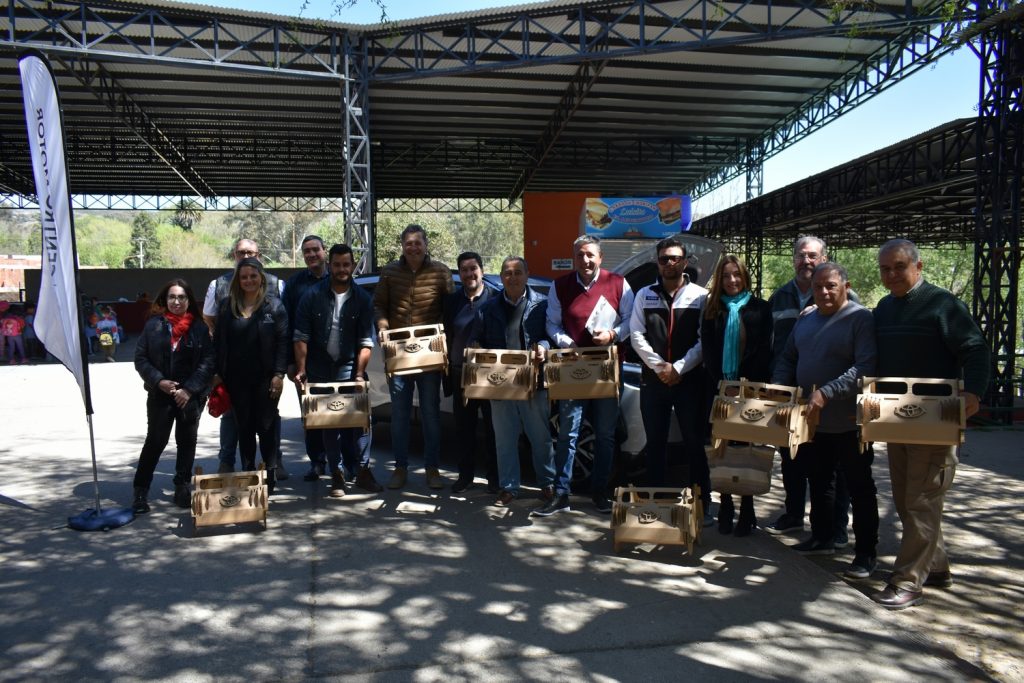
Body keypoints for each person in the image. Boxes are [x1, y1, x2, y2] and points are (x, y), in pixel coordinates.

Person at [869, 239, 990, 610]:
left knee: (922, 500)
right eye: (885, 268)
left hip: (936, 418)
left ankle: (907, 580)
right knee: (907, 500)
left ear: (918, 267)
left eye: (899, 267)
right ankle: (935, 567)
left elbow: (975, 348)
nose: (892, 274)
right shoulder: (884, 308)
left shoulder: (943, 305)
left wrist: (974, 392)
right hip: (895, 419)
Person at [771, 263, 880, 579]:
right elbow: (788, 358)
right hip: (812, 421)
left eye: (831, 285)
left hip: (850, 421)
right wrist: (779, 388)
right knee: (820, 482)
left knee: (859, 487)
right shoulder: (806, 319)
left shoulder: (860, 319)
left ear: (846, 286)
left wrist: (827, 392)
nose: (824, 291)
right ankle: (822, 538)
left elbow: (865, 366)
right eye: (818, 286)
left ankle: (866, 554)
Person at [765, 235, 852, 546]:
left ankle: (836, 526)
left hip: (832, 397)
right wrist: (776, 386)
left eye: (813, 255)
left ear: (824, 258)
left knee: (834, 466)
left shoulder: (845, 297)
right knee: (791, 457)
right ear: (793, 259)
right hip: (790, 393)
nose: (806, 261)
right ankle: (793, 514)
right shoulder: (779, 298)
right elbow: (774, 346)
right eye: (801, 255)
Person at [539, 234, 633, 515]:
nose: (585, 260)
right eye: (580, 255)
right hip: (573, 367)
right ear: (574, 258)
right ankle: (561, 494)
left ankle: (600, 492)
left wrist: (613, 334)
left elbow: (632, 320)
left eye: (590, 254)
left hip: (607, 368)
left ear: (600, 257)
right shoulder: (560, 286)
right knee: (568, 433)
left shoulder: (618, 283)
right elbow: (551, 324)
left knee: (605, 435)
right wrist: (568, 343)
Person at [628, 237, 711, 525]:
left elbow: (704, 339)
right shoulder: (644, 295)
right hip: (654, 382)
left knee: (694, 443)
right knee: (655, 445)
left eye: (675, 258)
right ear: (658, 262)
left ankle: (702, 504)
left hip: (690, 382)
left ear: (685, 262)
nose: (669, 263)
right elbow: (636, 335)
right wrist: (660, 367)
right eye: (664, 259)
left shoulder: (701, 296)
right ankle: (656, 505)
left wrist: (678, 368)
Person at [293, 243, 382, 498]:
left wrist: (359, 374)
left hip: (350, 368)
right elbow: (301, 336)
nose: (342, 269)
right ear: (329, 265)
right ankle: (337, 474)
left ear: (352, 266)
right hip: (320, 369)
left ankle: (363, 470)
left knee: (361, 422)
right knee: (329, 424)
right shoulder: (312, 295)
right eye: (337, 265)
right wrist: (302, 369)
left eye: (346, 264)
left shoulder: (363, 299)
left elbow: (366, 342)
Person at [372, 224, 453, 490]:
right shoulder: (389, 272)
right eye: (409, 243)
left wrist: (442, 339)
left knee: (431, 414)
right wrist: (382, 328)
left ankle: (432, 468)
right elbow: (379, 305)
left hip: (429, 354)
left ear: (426, 245)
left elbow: (450, 309)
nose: (413, 247)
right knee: (400, 415)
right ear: (402, 246)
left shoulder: (441, 272)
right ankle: (400, 468)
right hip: (399, 354)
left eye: (418, 243)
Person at [472, 256, 556, 506]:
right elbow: (478, 339)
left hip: (533, 381)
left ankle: (548, 484)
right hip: (499, 382)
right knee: (505, 439)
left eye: (518, 272)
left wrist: (543, 347)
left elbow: (551, 336)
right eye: (507, 273)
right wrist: (477, 348)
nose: (513, 277)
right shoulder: (487, 308)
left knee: (540, 437)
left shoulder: (542, 305)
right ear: (501, 277)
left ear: (527, 274)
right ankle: (509, 487)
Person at [701, 254, 773, 536]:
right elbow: (708, 352)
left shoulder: (760, 309)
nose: (732, 280)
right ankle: (726, 504)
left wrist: (745, 387)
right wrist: (724, 384)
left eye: (737, 275)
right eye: (726, 275)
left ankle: (748, 506)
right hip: (718, 389)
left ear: (745, 277)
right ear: (719, 279)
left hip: (750, 391)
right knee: (722, 448)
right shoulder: (712, 309)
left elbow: (764, 350)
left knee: (747, 449)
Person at [203, 238, 286, 478]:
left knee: (267, 427)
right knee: (244, 428)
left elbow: (283, 342)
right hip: (236, 379)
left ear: (261, 278)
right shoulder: (227, 306)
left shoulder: (275, 306)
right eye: (244, 277)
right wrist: (216, 373)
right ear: (238, 281)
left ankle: (270, 472)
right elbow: (218, 341)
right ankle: (249, 473)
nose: (249, 280)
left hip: (267, 380)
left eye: (253, 276)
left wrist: (279, 374)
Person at [130, 279, 215, 514]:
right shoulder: (153, 326)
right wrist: (158, 381)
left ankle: (182, 485)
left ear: (189, 300)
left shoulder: (199, 328)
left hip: (190, 396)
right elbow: (141, 359)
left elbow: (208, 362)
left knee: (186, 442)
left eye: (181, 297)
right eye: (172, 297)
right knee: (155, 441)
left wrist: (189, 390)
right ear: (165, 300)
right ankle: (140, 490)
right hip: (160, 395)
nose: (176, 302)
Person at [444, 251, 498, 493]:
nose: (469, 274)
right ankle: (465, 476)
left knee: (493, 428)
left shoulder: (495, 298)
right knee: (464, 429)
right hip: (460, 373)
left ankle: (494, 478)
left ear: (482, 271)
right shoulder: (452, 301)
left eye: (473, 268)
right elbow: (446, 333)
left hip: (489, 373)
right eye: (464, 270)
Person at [283, 235, 330, 482]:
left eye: (315, 250)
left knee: (338, 412)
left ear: (325, 251)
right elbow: (286, 324)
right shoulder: (294, 284)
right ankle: (317, 463)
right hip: (305, 362)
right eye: (306, 251)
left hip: (336, 361)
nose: (311, 255)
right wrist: (290, 362)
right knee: (311, 414)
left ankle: (343, 464)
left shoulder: (339, 277)